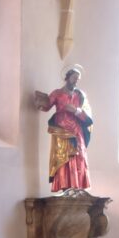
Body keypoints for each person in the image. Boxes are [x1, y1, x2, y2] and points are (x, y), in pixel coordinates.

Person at [32, 65, 92, 193]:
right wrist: (40, 102)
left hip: (76, 130)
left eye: (78, 79)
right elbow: (47, 105)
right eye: (74, 78)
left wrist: (76, 110)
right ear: (67, 77)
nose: (76, 81)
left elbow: (88, 116)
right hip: (61, 129)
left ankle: (77, 186)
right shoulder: (57, 93)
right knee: (62, 155)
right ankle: (65, 185)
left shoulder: (80, 95)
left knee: (78, 155)